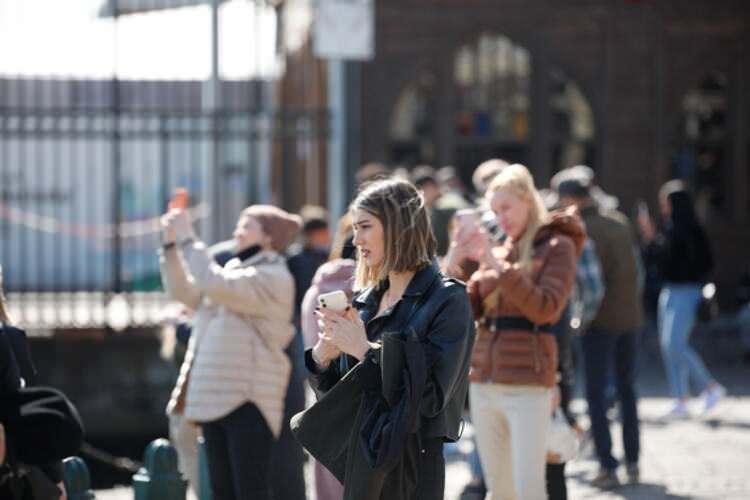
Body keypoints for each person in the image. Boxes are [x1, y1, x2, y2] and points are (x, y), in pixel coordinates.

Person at [304, 178, 475, 499]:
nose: (356, 240)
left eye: (365, 227)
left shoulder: (447, 298)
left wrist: (364, 351)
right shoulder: (367, 299)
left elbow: (431, 399)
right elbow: (341, 397)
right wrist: (322, 358)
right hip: (363, 461)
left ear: (398, 226)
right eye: (354, 228)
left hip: (413, 466)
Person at [160, 204, 301, 500]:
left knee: (250, 490)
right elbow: (184, 293)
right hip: (214, 397)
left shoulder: (274, 276)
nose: (237, 230)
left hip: (248, 400)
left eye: (246, 225)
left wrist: (187, 237)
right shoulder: (233, 272)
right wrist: (170, 246)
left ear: (268, 236)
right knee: (222, 491)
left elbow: (212, 282)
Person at [465, 164, 584, 500]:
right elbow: (466, 308)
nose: (500, 218)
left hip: (529, 383)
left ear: (528, 201)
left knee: (529, 489)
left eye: (506, 207)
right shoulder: (501, 248)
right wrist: (458, 258)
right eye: (494, 211)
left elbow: (546, 308)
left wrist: (497, 266)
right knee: (499, 491)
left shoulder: (557, 246)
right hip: (485, 381)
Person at [556, 169, 643, 489]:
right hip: (630, 318)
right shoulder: (619, 221)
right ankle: (633, 462)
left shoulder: (582, 229)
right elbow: (639, 272)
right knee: (627, 391)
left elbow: (591, 289)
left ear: (568, 198)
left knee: (595, 395)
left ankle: (608, 465)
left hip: (600, 324)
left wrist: (581, 321)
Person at [638, 180, 726, 418]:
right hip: (670, 290)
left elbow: (702, 263)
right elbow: (656, 260)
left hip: (686, 292)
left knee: (676, 344)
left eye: (665, 202)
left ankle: (710, 386)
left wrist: (657, 240)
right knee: (669, 347)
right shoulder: (669, 229)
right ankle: (681, 398)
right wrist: (651, 237)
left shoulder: (689, 230)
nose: (662, 207)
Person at [299, 214, 356, 500]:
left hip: (320, 394)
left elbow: (310, 345)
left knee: (326, 484)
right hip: (359, 398)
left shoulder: (314, 290)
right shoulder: (367, 293)